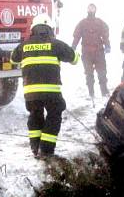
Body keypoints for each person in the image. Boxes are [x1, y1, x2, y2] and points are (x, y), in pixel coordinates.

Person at [11, 13, 79, 158]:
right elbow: (74, 59)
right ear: (50, 29)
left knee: (35, 115)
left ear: (33, 29)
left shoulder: (24, 45)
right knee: (54, 114)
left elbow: (13, 59)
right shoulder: (56, 44)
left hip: (31, 93)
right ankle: (46, 150)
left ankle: (35, 148)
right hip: (51, 92)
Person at [71, 3, 111, 98]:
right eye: (89, 8)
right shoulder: (82, 23)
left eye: (93, 8)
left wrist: (108, 45)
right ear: (87, 10)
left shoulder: (100, 22)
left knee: (102, 73)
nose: (91, 10)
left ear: (95, 10)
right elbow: (77, 36)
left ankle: (104, 92)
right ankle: (91, 93)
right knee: (89, 74)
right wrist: (73, 46)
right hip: (86, 53)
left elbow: (105, 35)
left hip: (99, 52)